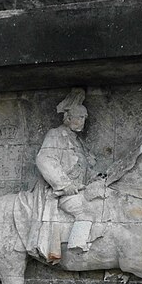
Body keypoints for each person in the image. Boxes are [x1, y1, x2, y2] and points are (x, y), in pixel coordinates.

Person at [34, 88, 104, 260]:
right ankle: (76, 248)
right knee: (86, 212)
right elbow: (45, 159)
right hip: (61, 192)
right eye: (79, 117)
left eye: (84, 118)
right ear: (68, 117)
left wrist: (95, 178)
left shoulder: (77, 141)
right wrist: (65, 185)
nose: (82, 122)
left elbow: (82, 167)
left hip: (79, 189)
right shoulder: (55, 135)